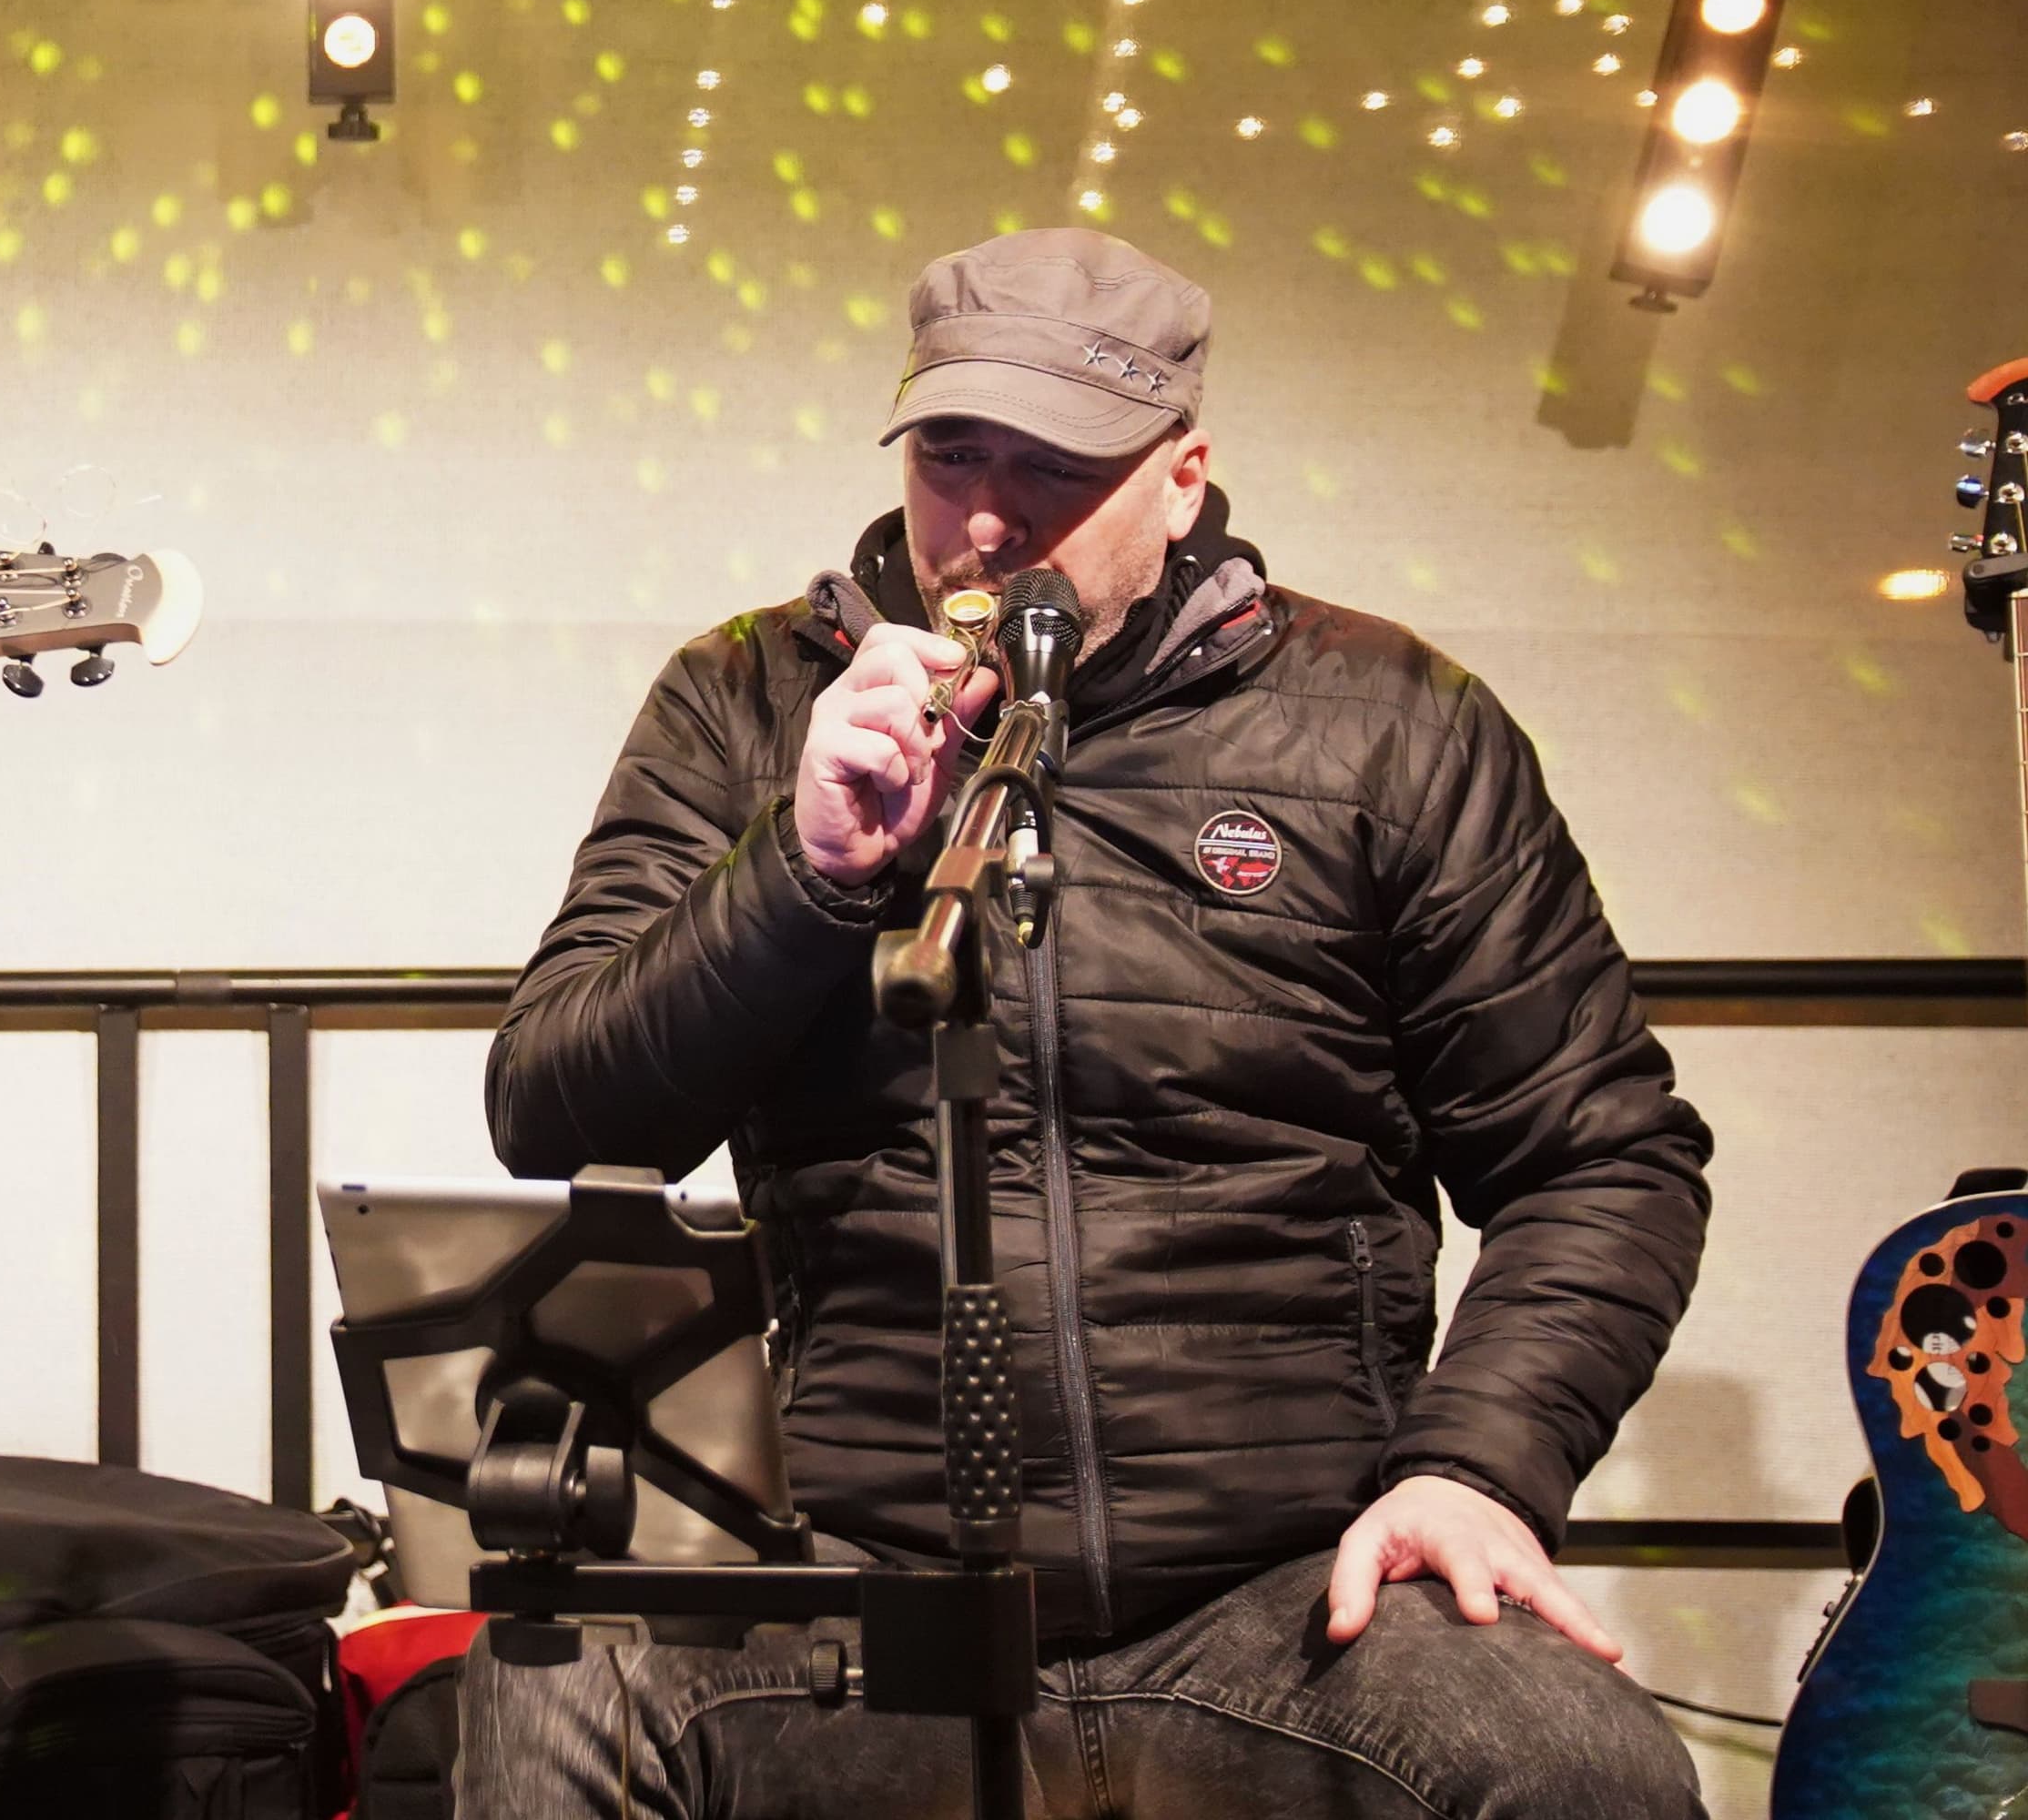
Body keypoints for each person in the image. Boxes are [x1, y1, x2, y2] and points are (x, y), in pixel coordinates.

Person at [466, 228, 1712, 1817]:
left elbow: (1602, 1159)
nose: (987, 520)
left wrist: (1474, 1470)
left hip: (1289, 1593)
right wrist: (805, 870)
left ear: (1184, 479)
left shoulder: (1391, 725)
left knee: (1587, 1770)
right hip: (865, 1581)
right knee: (549, 1678)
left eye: (1053, 467)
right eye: (950, 454)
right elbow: (556, 1107)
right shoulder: (749, 702)